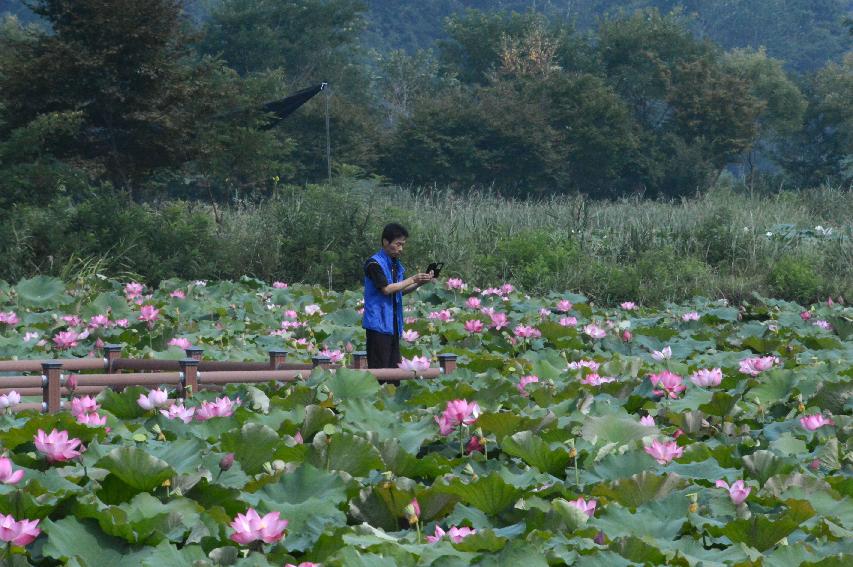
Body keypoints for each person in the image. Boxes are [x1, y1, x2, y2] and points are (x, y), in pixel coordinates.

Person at [362, 223, 433, 368]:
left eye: (403, 245)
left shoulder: (395, 264)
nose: (401, 249)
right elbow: (386, 289)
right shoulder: (373, 264)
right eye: (398, 244)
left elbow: (400, 290)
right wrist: (413, 278)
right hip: (378, 324)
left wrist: (420, 282)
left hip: (394, 324)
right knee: (380, 371)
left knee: (395, 372)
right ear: (385, 242)